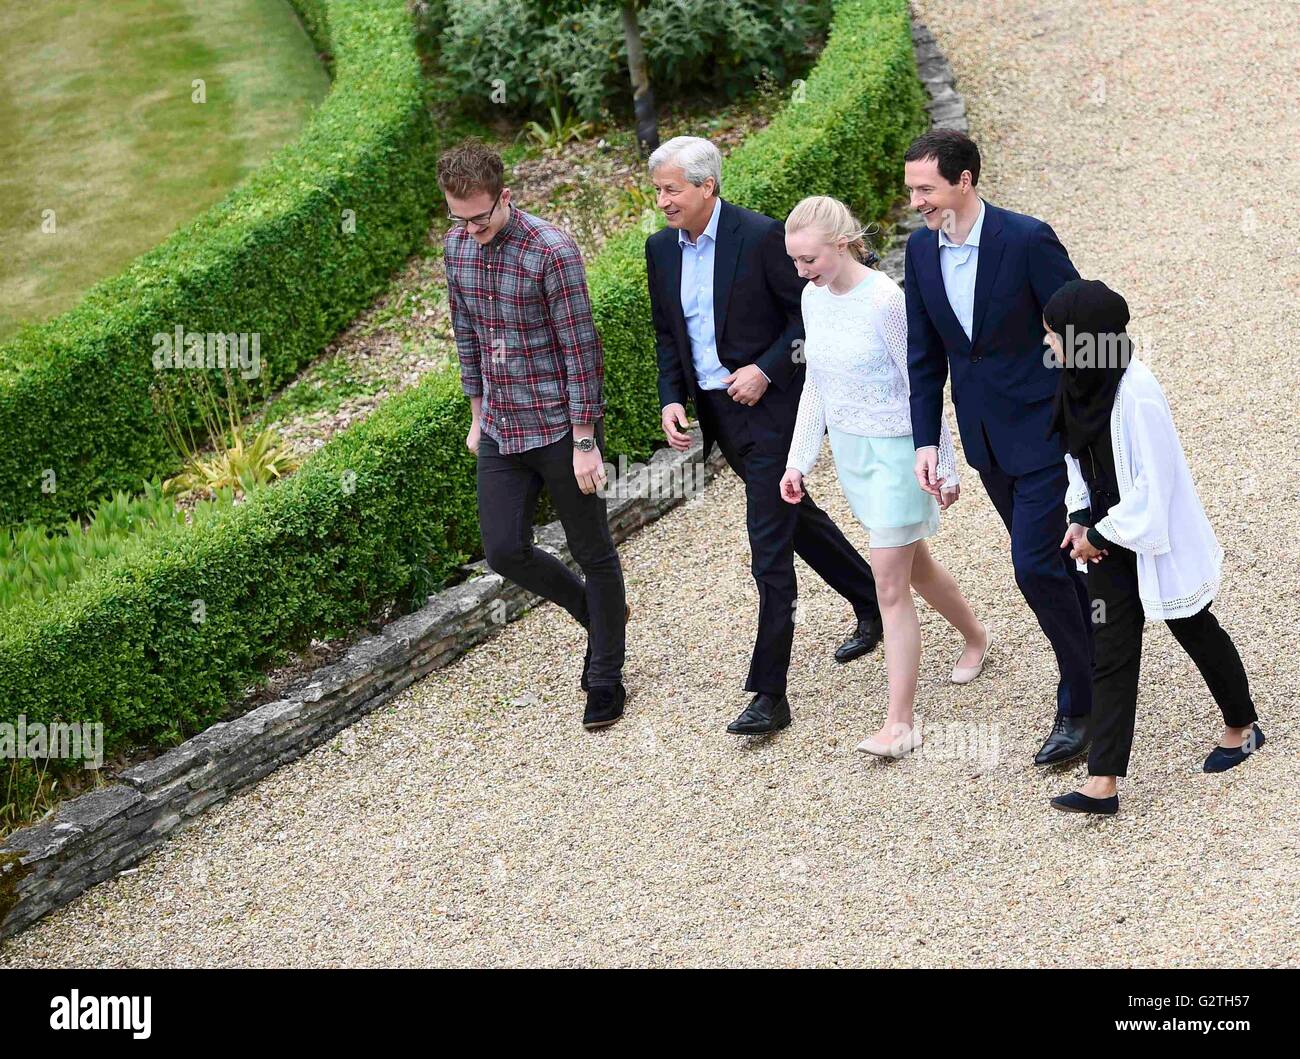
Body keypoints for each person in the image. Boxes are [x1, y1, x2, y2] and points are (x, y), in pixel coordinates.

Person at [645, 136, 884, 735]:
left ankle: (769, 692)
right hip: (719, 415)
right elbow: (668, 334)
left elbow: (807, 316)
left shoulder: (760, 236)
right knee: (795, 517)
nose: (663, 201)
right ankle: (874, 598)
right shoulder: (659, 250)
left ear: (707, 187)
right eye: (658, 191)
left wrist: (767, 368)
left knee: (767, 548)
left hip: (772, 411)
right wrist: (673, 397)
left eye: (672, 190)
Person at [903, 129, 1094, 765]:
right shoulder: (920, 254)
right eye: (911, 191)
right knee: (1061, 564)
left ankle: (1082, 701)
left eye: (925, 189)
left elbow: (1081, 324)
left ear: (965, 180)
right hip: (986, 440)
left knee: (1034, 565)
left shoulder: (1028, 239)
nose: (917, 203)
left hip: (1045, 431)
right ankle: (1104, 649)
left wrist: (1090, 421)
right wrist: (927, 439)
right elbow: (925, 357)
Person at [781, 196, 991, 758]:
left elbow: (920, 384)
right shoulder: (812, 297)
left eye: (808, 260)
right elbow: (816, 385)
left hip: (900, 453)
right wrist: (798, 459)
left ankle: (900, 724)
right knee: (915, 566)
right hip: (853, 454)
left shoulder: (886, 301)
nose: (802, 272)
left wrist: (942, 461)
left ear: (843, 243)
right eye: (795, 262)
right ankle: (975, 636)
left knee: (889, 584)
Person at [1046, 279, 1264, 815]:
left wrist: (1100, 532)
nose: (1046, 344)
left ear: (1082, 337)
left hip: (1150, 533)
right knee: (1112, 649)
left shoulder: (1137, 389)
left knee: (1192, 623)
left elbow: (1155, 484)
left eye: (1053, 336)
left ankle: (1243, 724)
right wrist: (1079, 519)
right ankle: (1103, 783)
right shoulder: (1077, 380)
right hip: (1104, 538)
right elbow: (1076, 457)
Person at [439, 138, 628, 731]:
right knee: (503, 549)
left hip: (557, 426)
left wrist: (584, 438)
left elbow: (581, 347)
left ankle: (604, 674)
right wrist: (476, 414)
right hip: (499, 426)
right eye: (458, 218)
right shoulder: (456, 249)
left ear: (505, 198)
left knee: (593, 550)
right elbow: (465, 336)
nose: (469, 229)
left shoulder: (551, 251)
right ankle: (600, 614)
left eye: (479, 217)